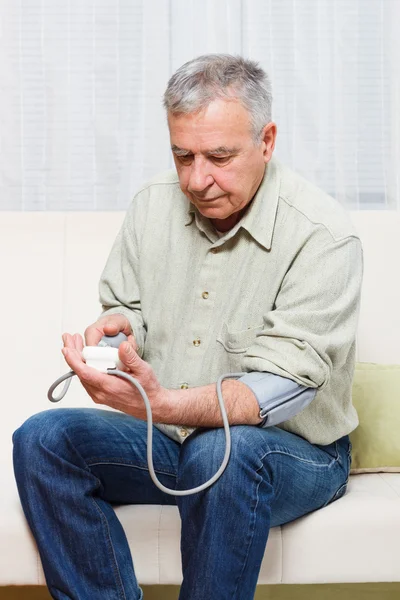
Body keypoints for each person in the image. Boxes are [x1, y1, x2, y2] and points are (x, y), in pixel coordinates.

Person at [12, 54, 363, 600]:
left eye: (220, 157)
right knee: (43, 439)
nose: (198, 179)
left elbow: (281, 386)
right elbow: (130, 310)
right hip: (170, 435)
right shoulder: (152, 205)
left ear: (266, 141)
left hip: (295, 453)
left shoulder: (323, 236)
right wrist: (118, 334)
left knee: (220, 451)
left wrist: (165, 403)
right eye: (183, 155)